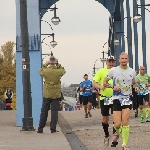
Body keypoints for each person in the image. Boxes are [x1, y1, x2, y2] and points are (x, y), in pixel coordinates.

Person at [103, 52, 139, 150]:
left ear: (128, 60)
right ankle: (117, 132)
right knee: (117, 124)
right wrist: (113, 87)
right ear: (119, 60)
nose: (123, 60)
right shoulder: (113, 70)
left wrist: (136, 87)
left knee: (125, 121)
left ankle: (124, 144)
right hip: (116, 99)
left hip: (127, 98)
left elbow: (134, 82)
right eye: (122, 59)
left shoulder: (132, 71)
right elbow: (104, 82)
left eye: (125, 59)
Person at [37, 55, 66, 133]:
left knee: (44, 111)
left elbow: (40, 71)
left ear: (49, 62)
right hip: (56, 94)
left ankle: (40, 128)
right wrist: (58, 64)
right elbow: (63, 70)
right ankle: (53, 128)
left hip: (47, 93)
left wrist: (45, 64)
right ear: (55, 62)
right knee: (54, 112)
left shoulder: (46, 71)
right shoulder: (58, 71)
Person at [93, 56, 116, 146]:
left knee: (116, 117)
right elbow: (94, 82)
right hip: (104, 98)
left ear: (114, 63)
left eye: (112, 62)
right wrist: (100, 87)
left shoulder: (117, 71)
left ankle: (115, 135)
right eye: (109, 62)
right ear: (106, 62)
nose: (111, 64)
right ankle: (107, 134)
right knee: (105, 119)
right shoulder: (101, 71)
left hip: (115, 97)